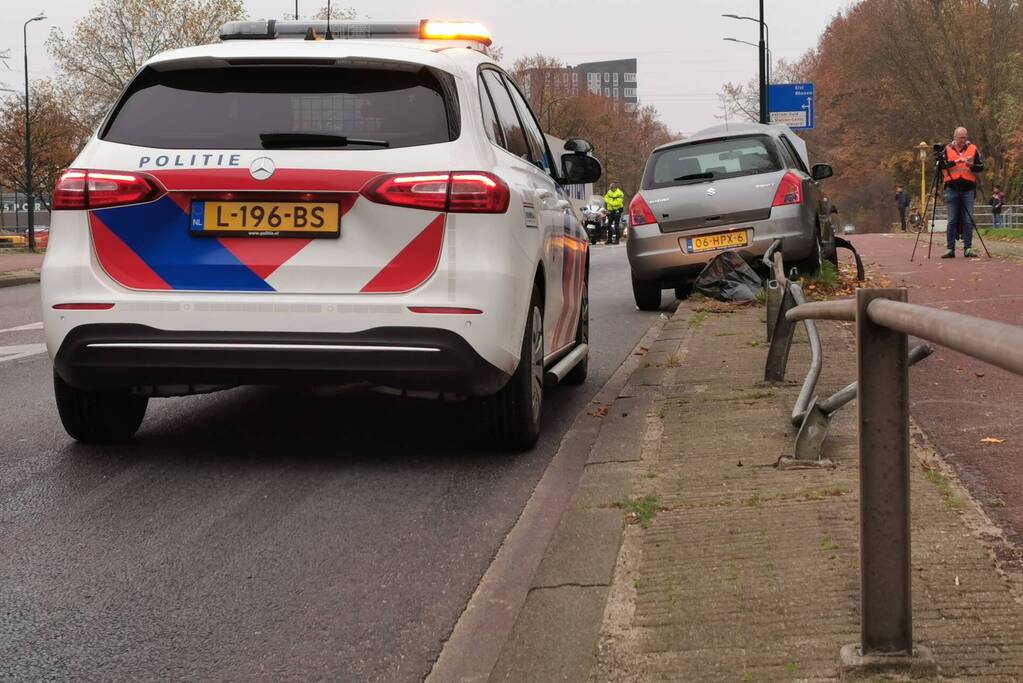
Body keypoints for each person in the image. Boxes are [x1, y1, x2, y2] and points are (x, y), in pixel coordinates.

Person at [938, 127, 984, 258]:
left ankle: (968, 248)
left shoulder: (973, 149)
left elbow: (981, 167)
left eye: (965, 137)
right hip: (951, 188)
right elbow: (939, 167)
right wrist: (955, 162)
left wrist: (972, 166)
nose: (963, 140)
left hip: (968, 189)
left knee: (968, 219)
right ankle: (950, 248)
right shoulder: (946, 150)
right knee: (952, 220)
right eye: (961, 138)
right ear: (955, 137)